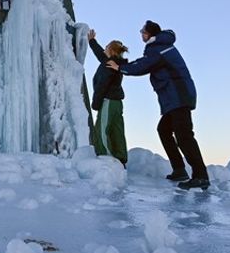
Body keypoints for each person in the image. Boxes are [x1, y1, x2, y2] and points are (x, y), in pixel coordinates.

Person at [108, 20, 210, 190]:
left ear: (149, 33)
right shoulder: (158, 48)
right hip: (174, 98)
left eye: (143, 31)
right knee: (164, 130)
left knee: (184, 136)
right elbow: (144, 62)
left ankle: (201, 175)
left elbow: (143, 65)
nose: (141, 34)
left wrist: (120, 68)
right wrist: (123, 65)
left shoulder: (159, 48)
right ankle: (179, 169)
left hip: (179, 97)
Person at [86, 29, 129, 166]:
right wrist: (92, 41)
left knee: (102, 129)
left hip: (108, 101)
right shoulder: (114, 63)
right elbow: (100, 55)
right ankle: (120, 157)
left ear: (111, 50)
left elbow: (102, 86)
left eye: (106, 47)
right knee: (117, 129)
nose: (104, 48)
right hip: (117, 103)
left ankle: (106, 158)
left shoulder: (109, 65)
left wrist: (96, 103)